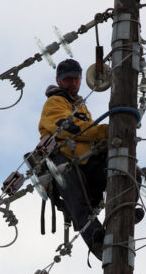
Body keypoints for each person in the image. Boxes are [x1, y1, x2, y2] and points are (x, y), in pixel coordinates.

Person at [38, 59, 108, 260]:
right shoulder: (55, 102)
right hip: (63, 160)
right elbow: (69, 127)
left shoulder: (80, 106)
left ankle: (127, 207)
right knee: (79, 204)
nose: (72, 83)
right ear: (58, 81)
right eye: (67, 80)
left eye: (75, 79)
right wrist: (103, 132)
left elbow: (87, 133)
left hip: (87, 160)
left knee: (117, 173)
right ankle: (98, 243)